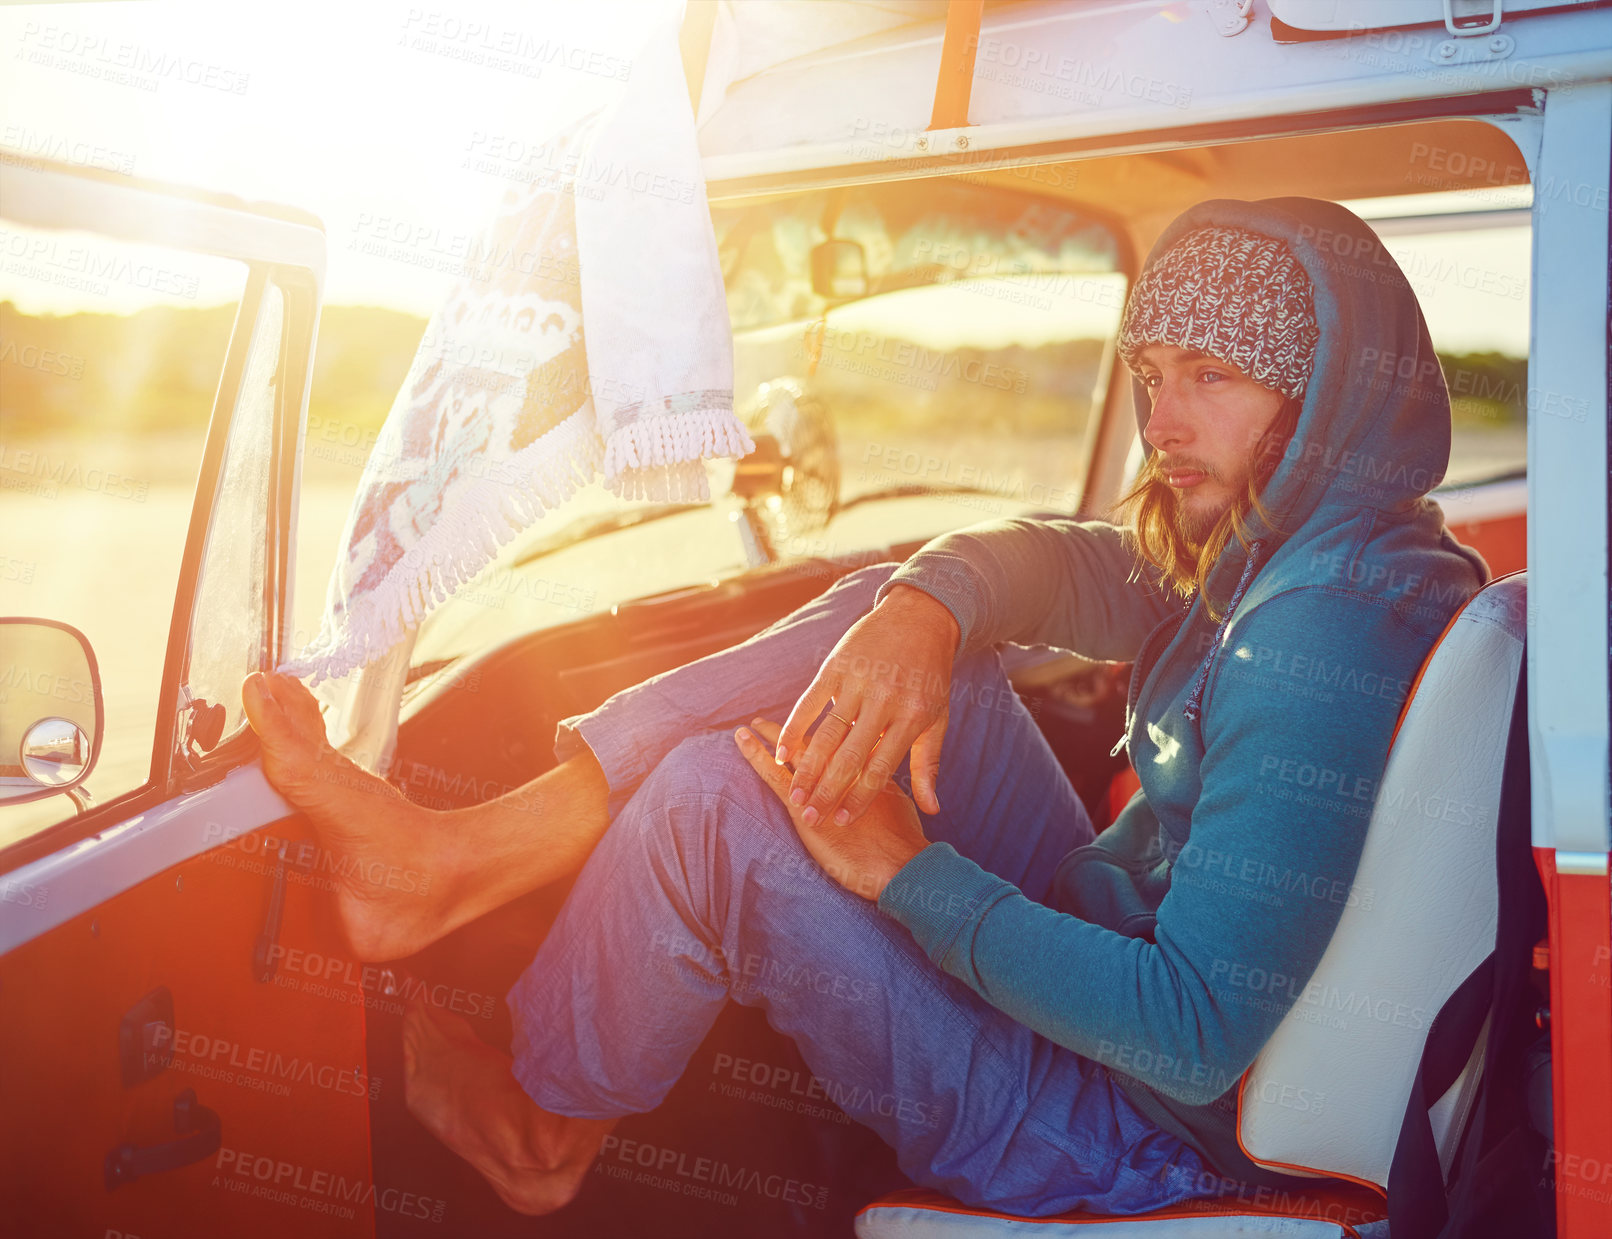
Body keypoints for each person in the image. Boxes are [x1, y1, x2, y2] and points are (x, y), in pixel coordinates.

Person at [240, 195, 1489, 1219]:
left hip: (1137, 1135)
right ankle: (462, 852)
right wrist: (925, 608)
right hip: (1125, 1018)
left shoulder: (1316, 632)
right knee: (881, 624)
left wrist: (907, 878)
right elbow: (1054, 568)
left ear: (1317, 389)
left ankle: (541, 1127)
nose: (1163, 422)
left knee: (708, 810)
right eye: (1149, 372)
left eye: (1209, 376)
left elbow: (1190, 1034)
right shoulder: (1323, 543)